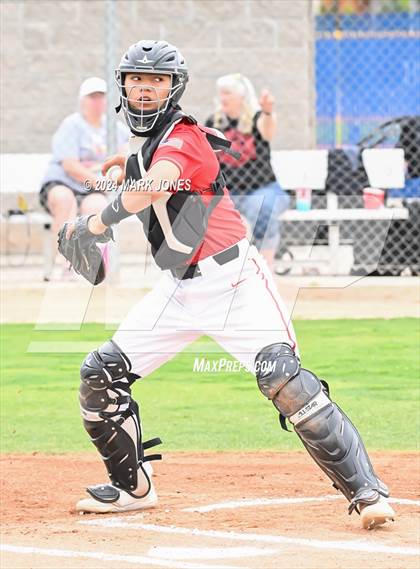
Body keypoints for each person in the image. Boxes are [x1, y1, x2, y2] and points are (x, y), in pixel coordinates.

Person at [63, 40, 395, 530]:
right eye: (137, 80)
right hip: (178, 289)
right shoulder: (155, 145)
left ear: (174, 88)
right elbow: (152, 171)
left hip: (235, 282)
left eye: (156, 81)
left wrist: (94, 223)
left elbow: (160, 182)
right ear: (123, 88)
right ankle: (133, 489)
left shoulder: (184, 136)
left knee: (282, 378)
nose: (145, 89)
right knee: (100, 376)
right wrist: (123, 165)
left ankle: (367, 494)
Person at [39, 77, 128, 277]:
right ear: (83, 101)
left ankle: (93, 263)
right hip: (64, 183)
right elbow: (70, 165)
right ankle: (65, 262)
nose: (97, 102)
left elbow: (124, 158)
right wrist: (99, 181)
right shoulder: (72, 125)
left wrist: (115, 176)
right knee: (65, 200)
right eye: (92, 97)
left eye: (101, 97)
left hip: (92, 189)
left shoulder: (114, 128)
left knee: (97, 206)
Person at [205, 73, 290, 269]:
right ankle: (219, 269)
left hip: (261, 188)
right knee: (201, 210)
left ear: (241, 97)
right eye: (221, 94)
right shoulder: (214, 122)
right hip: (228, 191)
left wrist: (268, 112)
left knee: (263, 208)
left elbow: (268, 132)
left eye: (227, 93)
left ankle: (264, 268)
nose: (222, 98)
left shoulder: (257, 118)